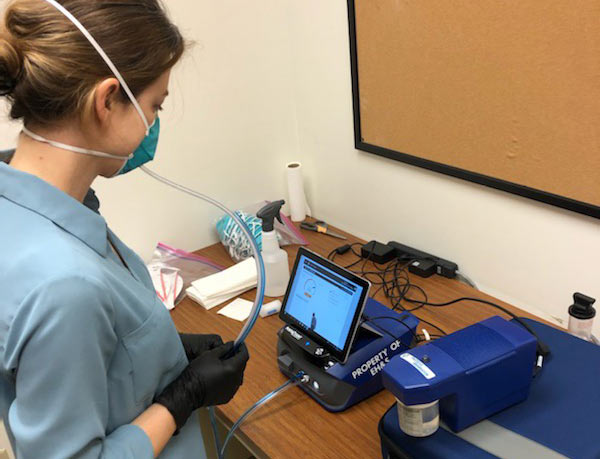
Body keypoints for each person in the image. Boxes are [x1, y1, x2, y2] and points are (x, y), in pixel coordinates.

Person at [0, 1, 249, 457]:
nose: (153, 124)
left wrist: (163, 350)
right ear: (107, 100)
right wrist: (182, 398)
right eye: (154, 105)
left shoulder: (26, 206)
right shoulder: (63, 282)